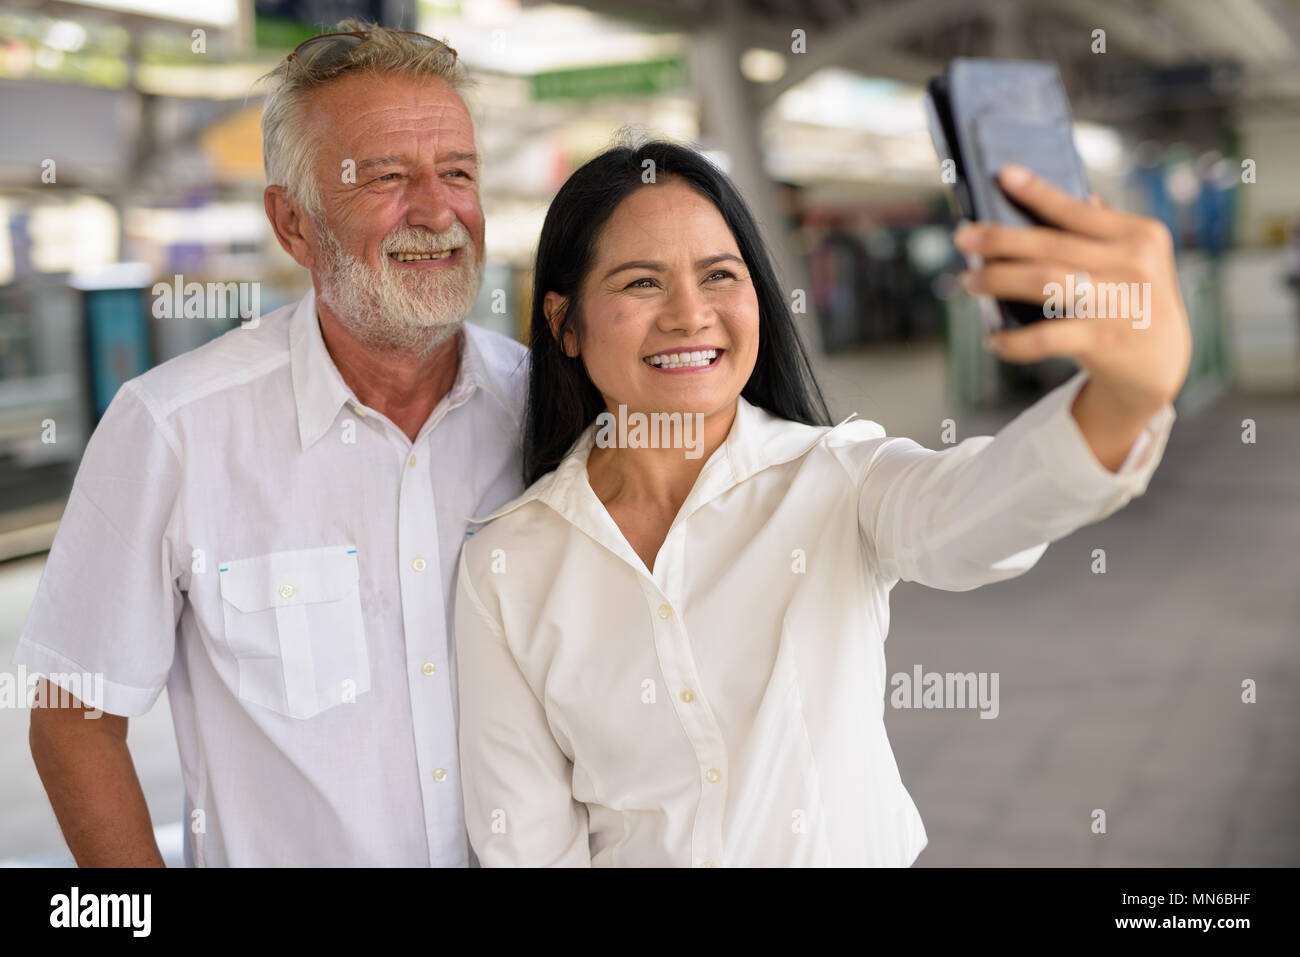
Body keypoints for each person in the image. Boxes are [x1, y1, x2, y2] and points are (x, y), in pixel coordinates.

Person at [453, 140, 1190, 867]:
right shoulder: (508, 564)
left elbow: (979, 512)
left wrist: (1125, 401)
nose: (689, 313)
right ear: (565, 323)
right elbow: (528, 844)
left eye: (719, 275)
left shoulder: (841, 478)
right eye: (642, 283)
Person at [14, 21, 527, 866]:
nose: (438, 212)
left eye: (458, 173)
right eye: (387, 176)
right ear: (293, 223)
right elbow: (74, 720)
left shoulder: (545, 412)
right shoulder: (174, 430)